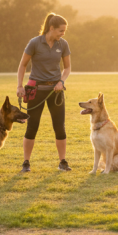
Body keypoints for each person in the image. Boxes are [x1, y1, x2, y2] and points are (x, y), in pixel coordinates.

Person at [16, 13, 72, 172]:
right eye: (61, 30)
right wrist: (20, 86)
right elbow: (22, 66)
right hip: (36, 91)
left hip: (56, 91)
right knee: (32, 127)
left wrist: (61, 81)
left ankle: (63, 162)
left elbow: (67, 68)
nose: (63, 33)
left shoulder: (63, 44)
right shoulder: (35, 43)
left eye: (64, 31)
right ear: (51, 28)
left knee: (59, 127)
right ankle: (26, 163)